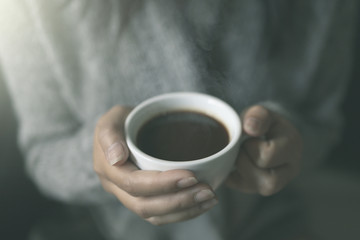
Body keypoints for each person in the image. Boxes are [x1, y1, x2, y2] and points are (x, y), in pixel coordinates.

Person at [0, 0, 357, 239]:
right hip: (103, 227)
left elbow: (322, 121)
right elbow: (44, 149)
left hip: (266, 221)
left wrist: (290, 144)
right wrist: (96, 163)